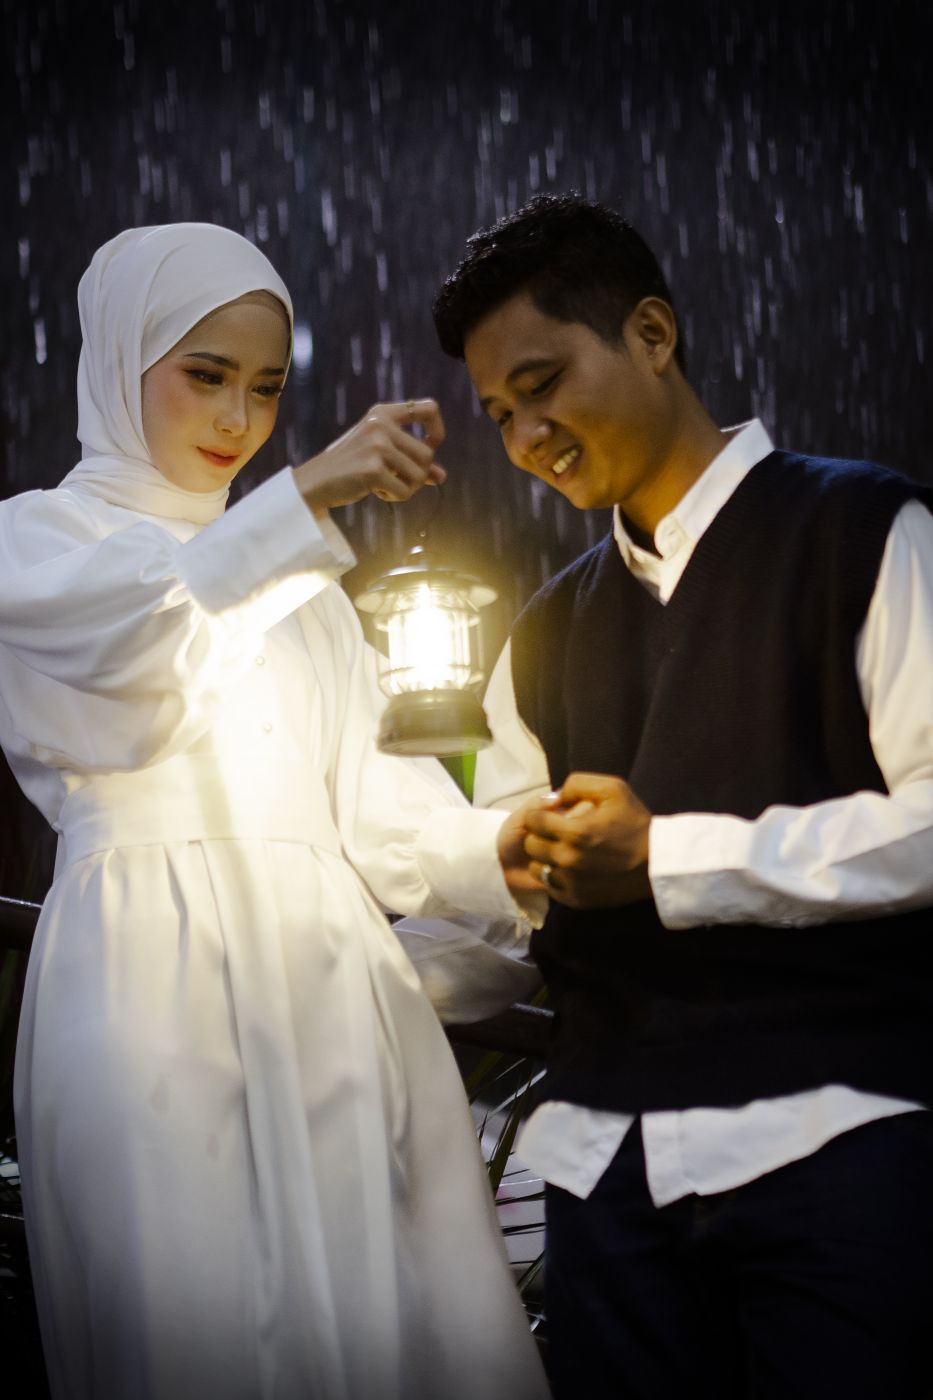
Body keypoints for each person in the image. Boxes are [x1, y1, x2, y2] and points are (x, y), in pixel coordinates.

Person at [0, 223, 549, 1400]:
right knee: (194, 1314)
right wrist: (304, 496)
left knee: (401, 1318)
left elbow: (382, 807)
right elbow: (139, 662)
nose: (237, 418)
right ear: (119, 356)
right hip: (146, 976)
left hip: (332, 978)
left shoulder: (305, 585)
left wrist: (503, 847)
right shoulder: (34, 541)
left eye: (264, 387)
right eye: (206, 375)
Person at [432, 193, 933, 1399]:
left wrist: (668, 857)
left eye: (544, 384)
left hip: (842, 1139)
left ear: (653, 333)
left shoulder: (868, 528)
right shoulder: (537, 635)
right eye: (500, 414)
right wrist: (302, 971)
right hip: (604, 1180)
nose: (527, 436)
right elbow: (497, 927)